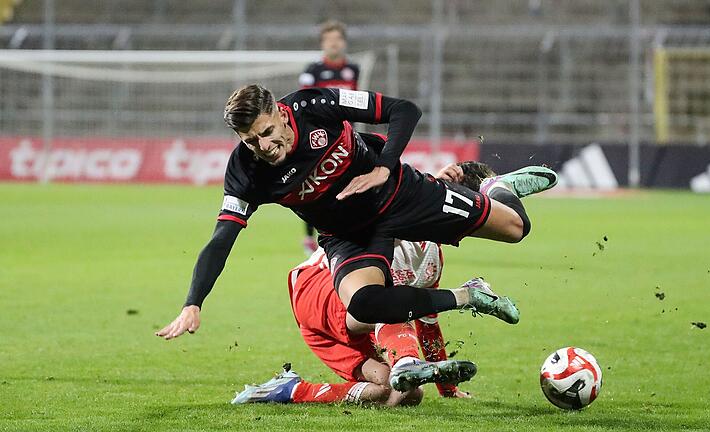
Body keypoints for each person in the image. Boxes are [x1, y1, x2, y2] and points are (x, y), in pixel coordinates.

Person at [155, 84, 557, 343]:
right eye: (250, 140)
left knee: (516, 228)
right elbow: (222, 238)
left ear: (279, 112)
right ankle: (471, 295)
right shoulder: (245, 171)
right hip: (348, 235)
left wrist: (383, 167)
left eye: (265, 132)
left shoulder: (316, 104)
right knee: (363, 305)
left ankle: (492, 185)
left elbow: (404, 109)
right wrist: (194, 301)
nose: (263, 145)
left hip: (400, 193)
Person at [232, 237, 477, 406]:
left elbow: (427, 323)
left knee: (406, 393)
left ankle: (291, 390)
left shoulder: (431, 259)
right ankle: (407, 362)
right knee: (393, 309)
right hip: (318, 289)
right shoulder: (391, 226)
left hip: (347, 322)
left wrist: (449, 390)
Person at [297, 20, 360, 255]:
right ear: (323, 43)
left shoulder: (352, 70)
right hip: (320, 137)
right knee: (315, 185)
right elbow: (302, 101)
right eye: (329, 40)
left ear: (343, 43)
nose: (334, 44)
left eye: (337, 39)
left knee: (347, 182)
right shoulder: (312, 71)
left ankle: (344, 231)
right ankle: (309, 237)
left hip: (346, 137)